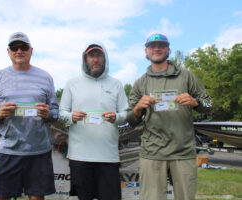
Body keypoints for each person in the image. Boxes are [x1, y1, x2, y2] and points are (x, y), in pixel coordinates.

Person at [126, 33, 212, 200]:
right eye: (152, 46)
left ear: (168, 49)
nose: (157, 48)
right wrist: (137, 108)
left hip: (183, 152)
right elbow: (130, 119)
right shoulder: (140, 83)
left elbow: (209, 106)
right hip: (152, 153)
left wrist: (195, 102)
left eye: (161, 45)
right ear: (146, 51)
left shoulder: (186, 76)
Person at [0, 32, 58, 200]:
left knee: (37, 198)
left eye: (23, 47)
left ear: (31, 51)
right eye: (14, 47)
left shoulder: (46, 77)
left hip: (39, 151)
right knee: (1, 197)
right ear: (8, 51)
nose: (19, 51)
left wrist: (48, 114)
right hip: (9, 150)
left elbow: (55, 113)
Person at [59, 43, 128, 200]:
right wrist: (71, 117)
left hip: (108, 157)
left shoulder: (116, 84)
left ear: (105, 59)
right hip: (79, 157)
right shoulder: (72, 84)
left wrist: (116, 117)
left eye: (99, 56)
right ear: (85, 59)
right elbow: (61, 113)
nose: (95, 60)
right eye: (91, 56)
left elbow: (126, 113)